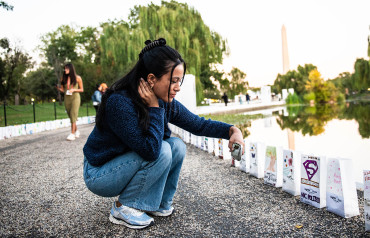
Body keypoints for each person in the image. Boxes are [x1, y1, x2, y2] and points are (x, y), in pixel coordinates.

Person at [82, 38, 244, 229]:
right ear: (151, 79)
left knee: (177, 146)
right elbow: (151, 151)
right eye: (173, 81)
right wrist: (154, 108)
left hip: (124, 164)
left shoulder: (163, 100)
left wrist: (231, 130)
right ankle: (124, 207)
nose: (178, 87)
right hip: (100, 174)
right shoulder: (121, 103)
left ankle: (157, 203)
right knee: (163, 149)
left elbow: (197, 125)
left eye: (179, 81)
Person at [57, 63, 84, 141]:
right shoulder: (63, 78)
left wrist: (74, 89)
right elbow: (63, 90)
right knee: (71, 115)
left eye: (67, 69)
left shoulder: (78, 78)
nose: (65, 70)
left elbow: (82, 89)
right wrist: (58, 88)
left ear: (71, 69)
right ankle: (76, 131)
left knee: (73, 114)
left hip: (75, 97)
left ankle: (72, 134)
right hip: (67, 98)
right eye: (65, 69)